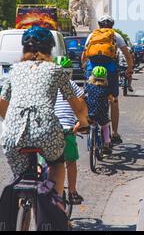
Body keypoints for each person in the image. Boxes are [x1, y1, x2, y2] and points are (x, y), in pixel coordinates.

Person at [0, 26, 89, 197]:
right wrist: (83, 123)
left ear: (24, 49)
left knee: (21, 175)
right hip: (46, 131)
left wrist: (14, 122)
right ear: (50, 49)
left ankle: (21, 208)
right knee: (56, 163)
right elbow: (76, 105)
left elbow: (2, 105)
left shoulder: (14, 70)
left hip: (13, 134)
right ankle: (54, 205)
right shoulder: (56, 70)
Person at [81, 14, 134, 145]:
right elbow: (127, 55)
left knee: (89, 95)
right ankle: (114, 133)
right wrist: (129, 69)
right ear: (112, 25)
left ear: (99, 25)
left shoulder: (92, 35)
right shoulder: (115, 36)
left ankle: (90, 123)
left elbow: (84, 56)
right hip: (109, 71)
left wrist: (85, 68)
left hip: (92, 69)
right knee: (113, 100)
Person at [54, 56, 85, 205]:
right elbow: (82, 105)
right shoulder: (72, 85)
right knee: (70, 162)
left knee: (44, 161)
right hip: (67, 129)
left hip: (49, 130)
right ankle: (72, 192)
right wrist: (81, 123)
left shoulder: (47, 85)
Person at [84, 66, 111, 155]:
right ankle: (106, 144)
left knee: (92, 123)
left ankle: (91, 142)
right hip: (102, 114)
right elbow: (111, 98)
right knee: (105, 126)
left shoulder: (89, 86)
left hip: (90, 113)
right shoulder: (106, 89)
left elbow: (84, 94)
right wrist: (113, 100)